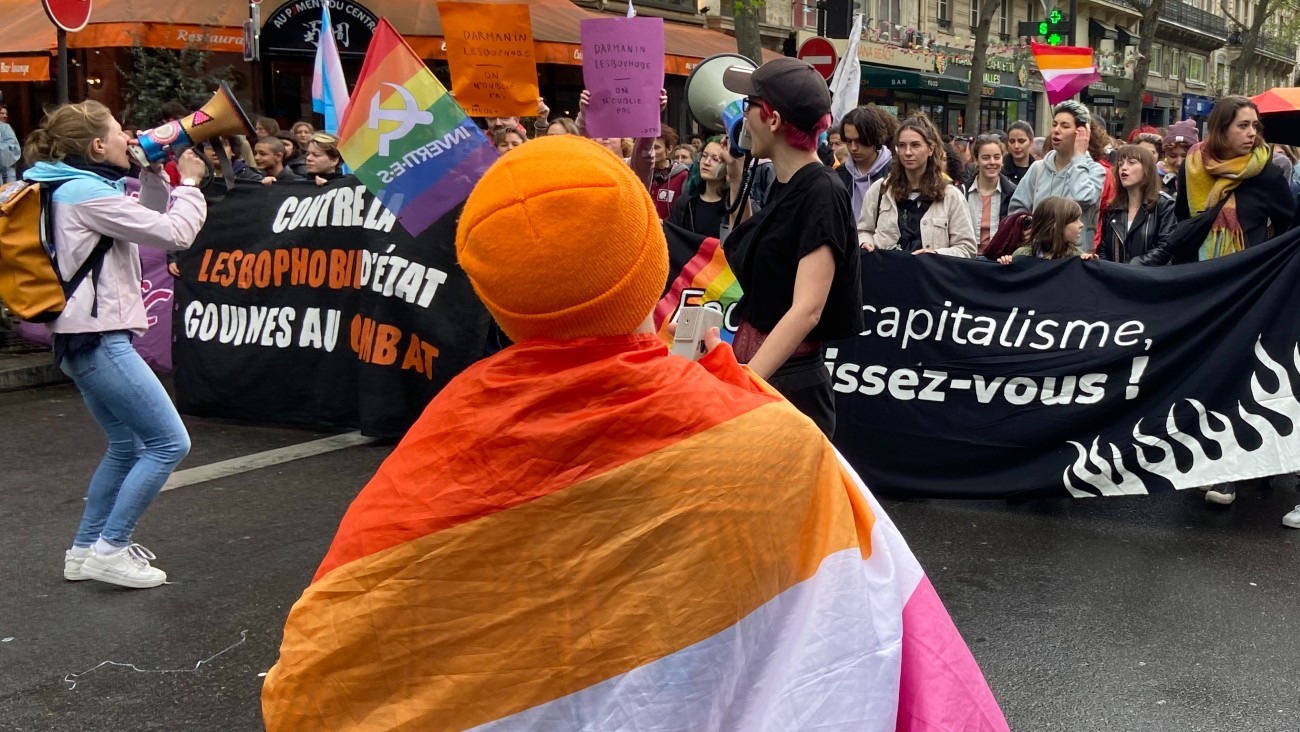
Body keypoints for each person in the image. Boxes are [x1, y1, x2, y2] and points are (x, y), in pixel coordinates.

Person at [261, 135, 1008, 732]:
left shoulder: (441, 445)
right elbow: (872, 632)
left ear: (490, 289)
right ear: (650, 263)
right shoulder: (770, 439)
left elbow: (327, 669)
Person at [23, 101, 206, 588]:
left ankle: (84, 551)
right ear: (96, 146)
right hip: (101, 339)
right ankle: (112, 547)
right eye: (118, 132)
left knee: (126, 445)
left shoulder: (62, 186)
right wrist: (189, 183)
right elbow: (174, 232)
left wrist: (154, 177)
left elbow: (138, 221)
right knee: (169, 443)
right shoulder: (85, 193)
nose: (131, 136)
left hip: (79, 337)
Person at [720, 57, 864, 437]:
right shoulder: (789, 183)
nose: (743, 115)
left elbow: (808, 309)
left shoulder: (821, 191)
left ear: (773, 119)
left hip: (787, 389)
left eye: (749, 104)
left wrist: (745, 382)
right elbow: (755, 248)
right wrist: (737, 178)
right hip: (770, 380)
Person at [1175, 95, 1294, 261]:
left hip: (1245, 276)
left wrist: (1262, 257)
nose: (1252, 133)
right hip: (1195, 274)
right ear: (1221, 129)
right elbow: (1182, 215)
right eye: (1243, 126)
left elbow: (1288, 228)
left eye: (1254, 125)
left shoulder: (1268, 175)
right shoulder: (1192, 166)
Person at [857, 114, 977, 258]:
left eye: (915, 145)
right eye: (902, 146)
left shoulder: (951, 195)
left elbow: (967, 248)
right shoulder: (880, 190)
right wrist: (865, 242)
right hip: (887, 275)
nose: (907, 152)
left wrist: (935, 254)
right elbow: (863, 231)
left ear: (931, 149)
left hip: (929, 277)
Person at [1007, 100, 1106, 251]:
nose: (1056, 130)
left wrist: (1079, 158)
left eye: (1065, 126)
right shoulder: (1038, 168)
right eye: (1054, 124)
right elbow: (1016, 209)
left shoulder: (1095, 170)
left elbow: (1083, 198)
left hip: (1073, 260)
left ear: (1081, 132)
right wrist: (1025, 226)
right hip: (1038, 256)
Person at [1096, 145, 1176, 264]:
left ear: (1147, 169)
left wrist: (1133, 266)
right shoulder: (1113, 209)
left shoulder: (1165, 205)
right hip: (1117, 279)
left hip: (1150, 279)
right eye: (1120, 164)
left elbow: (1166, 248)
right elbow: (1104, 250)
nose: (1123, 168)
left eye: (1131, 162)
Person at [836, 105, 898, 222]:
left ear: (874, 138)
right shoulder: (839, 174)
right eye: (848, 141)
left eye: (860, 141)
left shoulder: (895, 173)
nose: (853, 148)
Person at [997, 196, 1097, 263]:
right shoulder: (1022, 255)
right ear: (1056, 226)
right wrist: (1006, 265)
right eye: (1075, 220)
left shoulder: (1077, 257)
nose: (1081, 225)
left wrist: (1091, 264)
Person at [963, 134, 1017, 254]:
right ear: (976, 160)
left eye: (997, 157)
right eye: (986, 157)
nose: (992, 162)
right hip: (966, 260)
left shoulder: (1013, 193)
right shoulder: (961, 192)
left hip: (998, 262)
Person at [667, 136, 729, 238]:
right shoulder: (685, 201)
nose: (706, 162)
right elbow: (672, 238)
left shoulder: (735, 205)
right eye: (704, 156)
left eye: (715, 159)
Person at [649, 125, 690, 220]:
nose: (651, 151)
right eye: (649, 147)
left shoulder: (682, 175)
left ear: (669, 149)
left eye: (656, 147)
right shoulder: (641, 173)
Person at [1159, 119, 1197, 196]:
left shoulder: (1205, 178)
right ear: (1164, 154)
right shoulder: (1154, 178)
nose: (1179, 162)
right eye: (1173, 156)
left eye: (1185, 156)